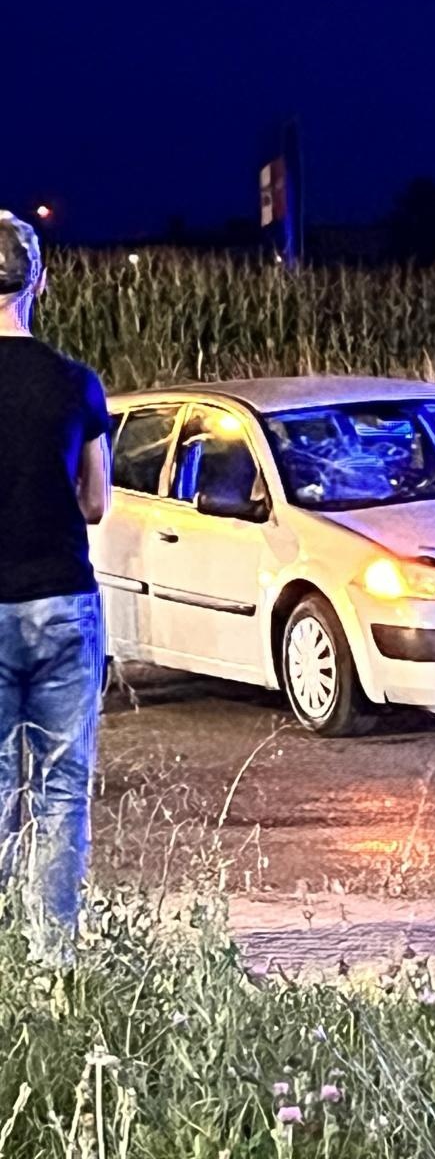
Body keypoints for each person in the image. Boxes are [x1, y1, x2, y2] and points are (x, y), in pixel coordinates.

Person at [0, 211, 111, 960]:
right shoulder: (76, 383)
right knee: (62, 788)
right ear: (38, 280)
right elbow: (97, 503)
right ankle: (52, 961)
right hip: (62, 597)